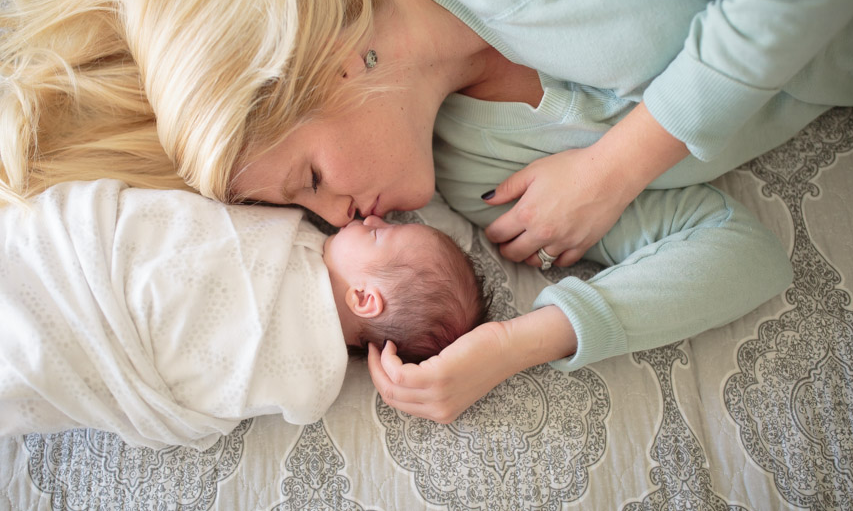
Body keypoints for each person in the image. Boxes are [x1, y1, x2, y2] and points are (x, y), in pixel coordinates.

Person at [0, 0, 853, 422]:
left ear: (330, 66)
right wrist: (522, 343)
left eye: (307, 177)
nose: (335, 219)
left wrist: (617, 164)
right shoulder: (474, 173)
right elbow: (742, 254)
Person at [0, 179, 488, 448]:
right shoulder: (315, 383)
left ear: (364, 299)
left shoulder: (314, 369)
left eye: (381, 235)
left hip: (110, 338)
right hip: (107, 275)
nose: (375, 218)